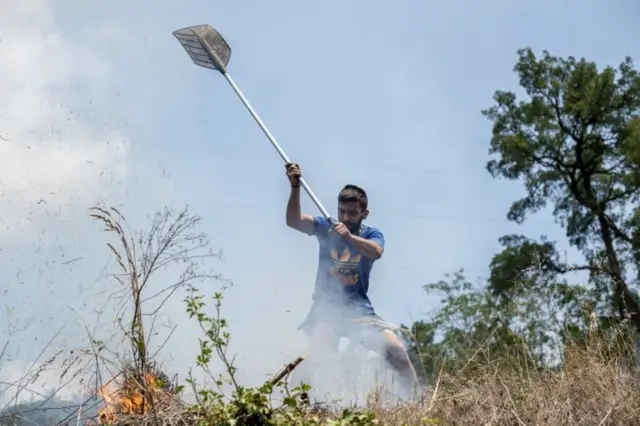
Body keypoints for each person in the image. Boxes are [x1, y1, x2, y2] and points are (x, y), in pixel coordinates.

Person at [284, 162, 418, 396]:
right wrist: (295, 186)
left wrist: (349, 238)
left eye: (352, 213)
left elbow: (376, 251)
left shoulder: (371, 234)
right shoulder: (326, 226)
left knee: (396, 349)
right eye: (342, 211)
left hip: (360, 311)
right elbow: (293, 221)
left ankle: (418, 400)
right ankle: (294, 403)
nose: (345, 217)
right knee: (317, 349)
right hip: (327, 309)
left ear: (364, 213)